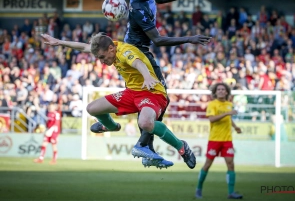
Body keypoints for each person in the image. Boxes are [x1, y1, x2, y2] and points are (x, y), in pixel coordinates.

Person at [41, 33, 196, 169]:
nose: (102, 62)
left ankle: (181, 147)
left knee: (145, 123)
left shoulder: (124, 52)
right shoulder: (109, 47)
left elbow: (138, 63)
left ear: (110, 49)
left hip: (152, 92)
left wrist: (148, 76)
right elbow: (84, 47)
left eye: (102, 58)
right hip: (132, 92)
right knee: (92, 108)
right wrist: (59, 42)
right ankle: (111, 126)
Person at [122, 0, 211, 168]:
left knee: (151, 100)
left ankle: (147, 147)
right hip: (138, 54)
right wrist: (189, 38)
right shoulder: (137, 7)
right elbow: (159, 40)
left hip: (138, 52)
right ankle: (145, 144)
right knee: (159, 98)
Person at [195, 83, 243, 199]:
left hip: (227, 140)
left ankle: (231, 193)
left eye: (223, 89)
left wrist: (235, 127)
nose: (221, 91)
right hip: (214, 140)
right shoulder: (212, 104)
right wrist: (227, 113)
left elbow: (228, 118)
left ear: (226, 92)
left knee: (231, 164)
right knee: (207, 165)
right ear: (215, 92)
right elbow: (211, 119)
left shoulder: (229, 104)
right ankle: (199, 189)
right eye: (219, 89)